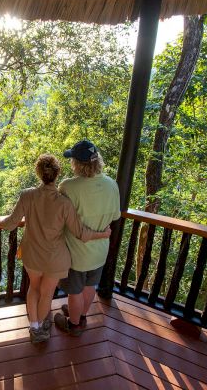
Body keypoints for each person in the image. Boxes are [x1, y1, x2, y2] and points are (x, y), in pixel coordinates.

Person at [0, 154, 111, 343]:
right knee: (47, 293)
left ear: (38, 173)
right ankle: (41, 328)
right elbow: (81, 233)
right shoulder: (64, 203)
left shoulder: (27, 195)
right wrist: (102, 235)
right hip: (55, 259)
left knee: (34, 288)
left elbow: (11, 223)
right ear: (58, 173)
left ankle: (35, 327)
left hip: (32, 254)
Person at [54, 140, 120, 336]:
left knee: (74, 291)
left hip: (76, 252)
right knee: (90, 285)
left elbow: (60, 216)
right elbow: (115, 217)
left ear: (77, 164)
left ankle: (73, 324)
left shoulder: (68, 186)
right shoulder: (111, 184)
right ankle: (81, 315)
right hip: (100, 250)